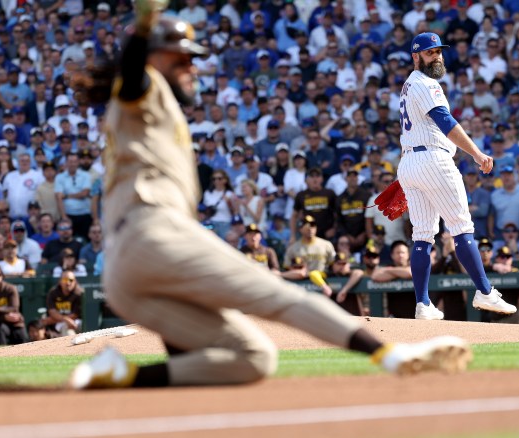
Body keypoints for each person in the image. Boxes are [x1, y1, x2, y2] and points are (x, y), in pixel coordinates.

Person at [68, 11, 471, 390]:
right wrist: (144, 24)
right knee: (283, 297)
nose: (192, 68)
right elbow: (137, 73)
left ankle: (122, 375)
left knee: (252, 357)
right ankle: (390, 356)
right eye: (181, 60)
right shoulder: (144, 90)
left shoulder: (154, 108)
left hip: (128, 275)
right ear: (153, 58)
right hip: (150, 233)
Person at [396, 32, 516, 320]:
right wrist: (476, 153)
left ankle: (423, 303)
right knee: (461, 226)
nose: (436, 56)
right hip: (432, 159)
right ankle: (485, 292)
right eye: (429, 52)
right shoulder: (426, 83)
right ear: (416, 56)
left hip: (410, 161)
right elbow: (445, 121)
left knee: (423, 235)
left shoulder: (409, 85)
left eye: (438, 51)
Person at [43, 269, 84, 336]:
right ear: (60, 281)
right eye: (65, 280)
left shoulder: (79, 293)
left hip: (76, 321)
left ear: (75, 281)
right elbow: (52, 312)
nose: (68, 283)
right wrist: (66, 319)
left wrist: (52, 320)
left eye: (71, 280)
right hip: (60, 323)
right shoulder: (53, 293)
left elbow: (75, 315)